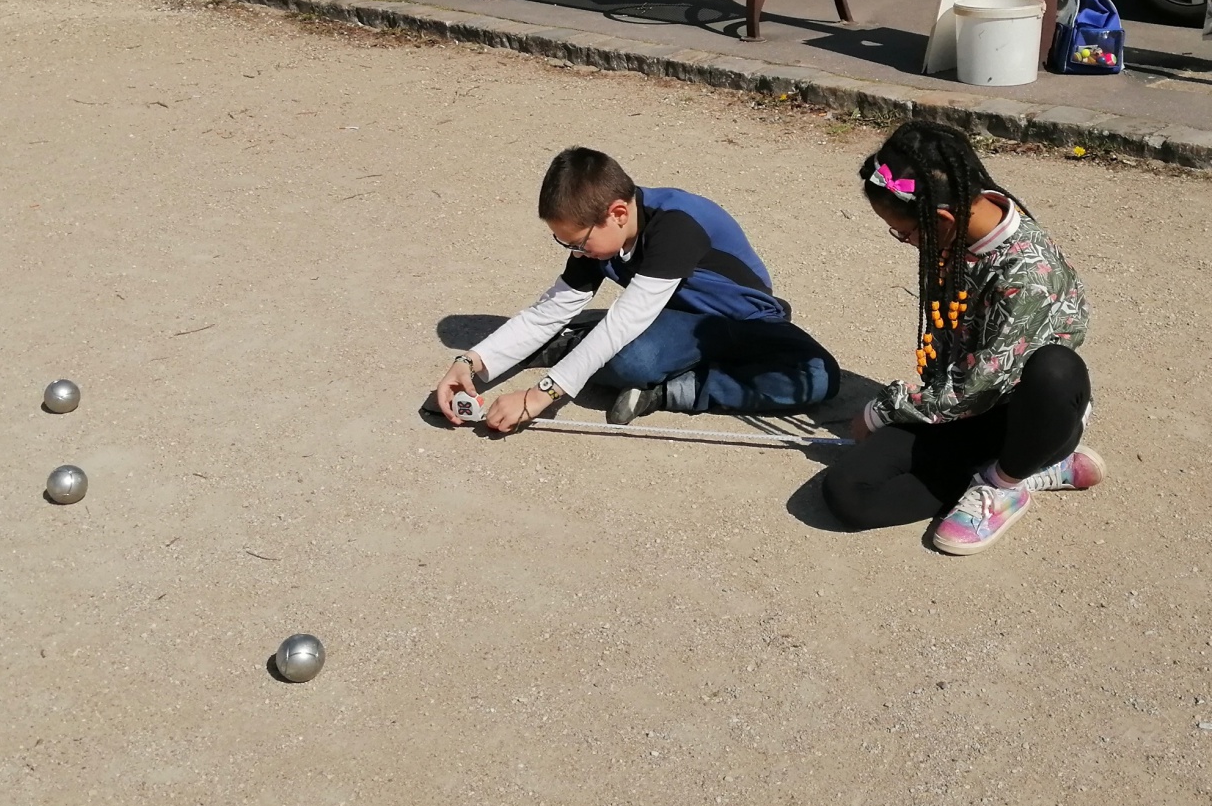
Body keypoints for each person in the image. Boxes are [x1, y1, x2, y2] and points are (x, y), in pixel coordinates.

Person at [823, 121, 1103, 556]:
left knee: (1054, 369)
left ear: (941, 220)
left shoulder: (1029, 275)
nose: (907, 242)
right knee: (848, 493)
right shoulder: (959, 238)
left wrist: (883, 409)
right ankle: (1019, 469)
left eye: (905, 233)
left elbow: (976, 388)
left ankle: (1010, 478)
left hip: (1023, 411)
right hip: (961, 408)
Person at [435, 147, 840, 433]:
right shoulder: (600, 240)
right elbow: (550, 309)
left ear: (617, 213)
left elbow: (628, 319)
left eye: (578, 243)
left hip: (743, 323)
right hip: (669, 320)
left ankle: (668, 392)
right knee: (632, 360)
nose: (575, 252)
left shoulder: (676, 224)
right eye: (566, 244)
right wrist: (471, 362)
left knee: (822, 378)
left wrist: (541, 394)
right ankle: (586, 347)